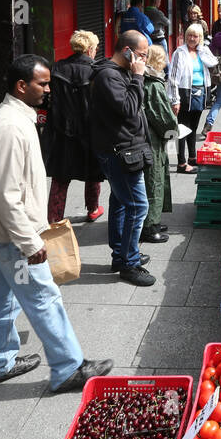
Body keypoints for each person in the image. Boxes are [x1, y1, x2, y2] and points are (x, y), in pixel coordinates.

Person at [0, 55, 113, 392]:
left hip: (12, 233)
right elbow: (5, 196)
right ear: (22, 86)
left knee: (6, 298)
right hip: (16, 236)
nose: (49, 89)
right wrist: (29, 241)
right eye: (43, 83)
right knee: (44, 297)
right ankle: (68, 368)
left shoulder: (19, 118)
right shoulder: (10, 127)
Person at [90, 31, 156, 286]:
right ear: (127, 51)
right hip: (119, 151)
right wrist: (138, 76)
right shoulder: (109, 75)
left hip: (124, 148)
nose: (144, 59)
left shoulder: (118, 73)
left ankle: (121, 254)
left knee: (120, 201)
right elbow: (128, 109)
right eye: (141, 54)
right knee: (138, 206)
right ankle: (129, 263)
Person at [41, 30, 104, 225]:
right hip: (89, 131)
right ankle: (93, 208)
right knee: (93, 173)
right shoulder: (96, 71)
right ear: (90, 49)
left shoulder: (57, 68)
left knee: (60, 178)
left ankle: (54, 219)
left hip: (62, 131)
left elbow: (47, 100)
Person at [141, 45, 178, 244]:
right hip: (153, 139)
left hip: (150, 137)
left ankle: (153, 221)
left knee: (155, 179)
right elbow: (163, 117)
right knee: (153, 181)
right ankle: (148, 226)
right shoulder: (153, 84)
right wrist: (173, 130)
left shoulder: (147, 80)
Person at [169, 24, 218, 172]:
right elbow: (172, 78)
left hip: (200, 92)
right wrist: (175, 100)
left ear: (200, 38)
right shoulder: (180, 52)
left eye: (195, 36)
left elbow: (213, 62)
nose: (192, 39)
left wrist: (202, 50)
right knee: (182, 128)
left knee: (193, 127)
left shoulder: (202, 51)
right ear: (185, 36)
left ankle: (192, 157)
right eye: (189, 35)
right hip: (184, 93)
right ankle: (181, 164)